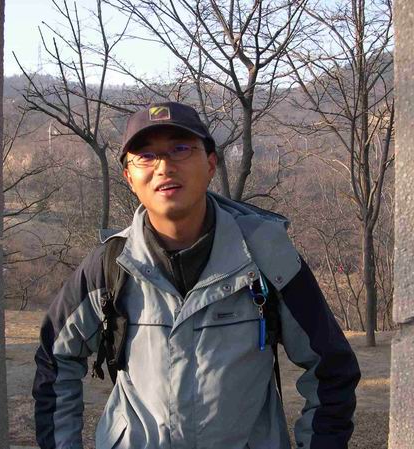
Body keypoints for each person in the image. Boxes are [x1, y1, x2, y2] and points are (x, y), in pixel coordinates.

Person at [32, 101, 361, 449]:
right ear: (129, 178)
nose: (164, 167)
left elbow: (330, 368)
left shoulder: (265, 256)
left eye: (180, 149)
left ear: (210, 164)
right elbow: (56, 356)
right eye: (146, 156)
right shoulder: (110, 264)